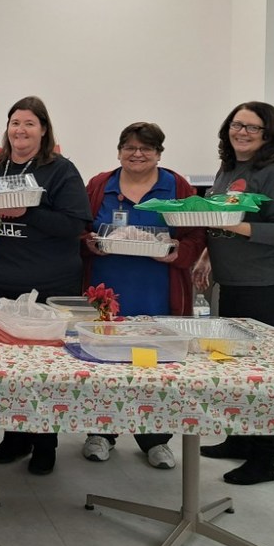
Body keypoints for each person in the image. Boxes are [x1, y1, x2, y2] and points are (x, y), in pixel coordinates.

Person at [0, 96, 91, 475]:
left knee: (42, 369)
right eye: (15, 122)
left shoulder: (61, 171)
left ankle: (45, 442)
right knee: (4, 366)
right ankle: (14, 435)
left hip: (45, 284)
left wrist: (30, 212)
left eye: (29, 123)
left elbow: (75, 225)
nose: (21, 130)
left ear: (43, 129)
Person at [79, 122, 207, 470]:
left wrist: (177, 250)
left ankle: (155, 439)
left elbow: (196, 234)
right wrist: (91, 245)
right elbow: (81, 229)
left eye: (146, 148)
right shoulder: (99, 185)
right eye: (129, 147)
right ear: (119, 150)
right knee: (103, 362)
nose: (137, 154)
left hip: (158, 291)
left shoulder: (176, 186)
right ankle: (100, 433)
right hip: (107, 292)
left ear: (159, 153)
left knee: (157, 364)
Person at [194, 102, 274, 485]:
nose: (242, 132)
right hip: (235, 282)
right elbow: (217, 217)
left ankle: (266, 458)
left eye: (252, 127)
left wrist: (236, 227)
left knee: (265, 373)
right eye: (237, 124)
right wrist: (209, 253)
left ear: (269, 134)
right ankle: (240, 439)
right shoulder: (230, 168)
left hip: (269, 286)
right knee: (237, 365)